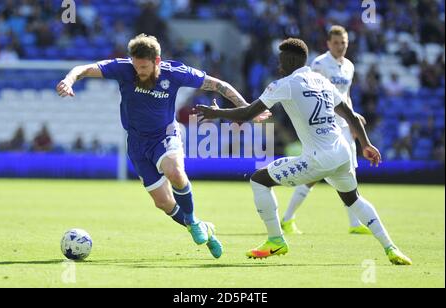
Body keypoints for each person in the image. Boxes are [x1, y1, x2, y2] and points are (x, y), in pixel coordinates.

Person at [196, 38, 412, 265]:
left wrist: (216, 113)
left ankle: (276, 240)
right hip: (341, 152)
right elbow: (351, 114)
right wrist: (366, 144)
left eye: (280, 61)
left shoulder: (284, 84)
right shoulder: (321, 80)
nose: (278, 66)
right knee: (353, 199)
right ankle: (391, 248)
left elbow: (247, 114)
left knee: (259, 180)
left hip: (318, 159)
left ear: (289, 61)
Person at [56, 33, 271, 259]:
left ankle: (192, 222)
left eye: (144, 67)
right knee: (163, 202)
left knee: (175, 172)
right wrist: (69, 80)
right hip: (137, 143)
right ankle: (198, 224)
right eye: (136, 66)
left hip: (165, 135)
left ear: (157, 61)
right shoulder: (124, 69)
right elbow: (84, 68)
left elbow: (219, 85)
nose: (139, 71)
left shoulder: (175, 73)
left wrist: (248, 109)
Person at [281, 25, 371, 235]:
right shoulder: (319, 64)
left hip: (344, 123)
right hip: (326, 124)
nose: (340, 47)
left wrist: (353, 118)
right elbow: (314, 94)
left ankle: (354, 223)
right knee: (314, 175)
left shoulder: (349, 65)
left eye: (344, 43)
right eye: (337, 43)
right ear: (328, 44)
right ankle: (287, 218)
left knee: (349, 169)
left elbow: (345, 96)